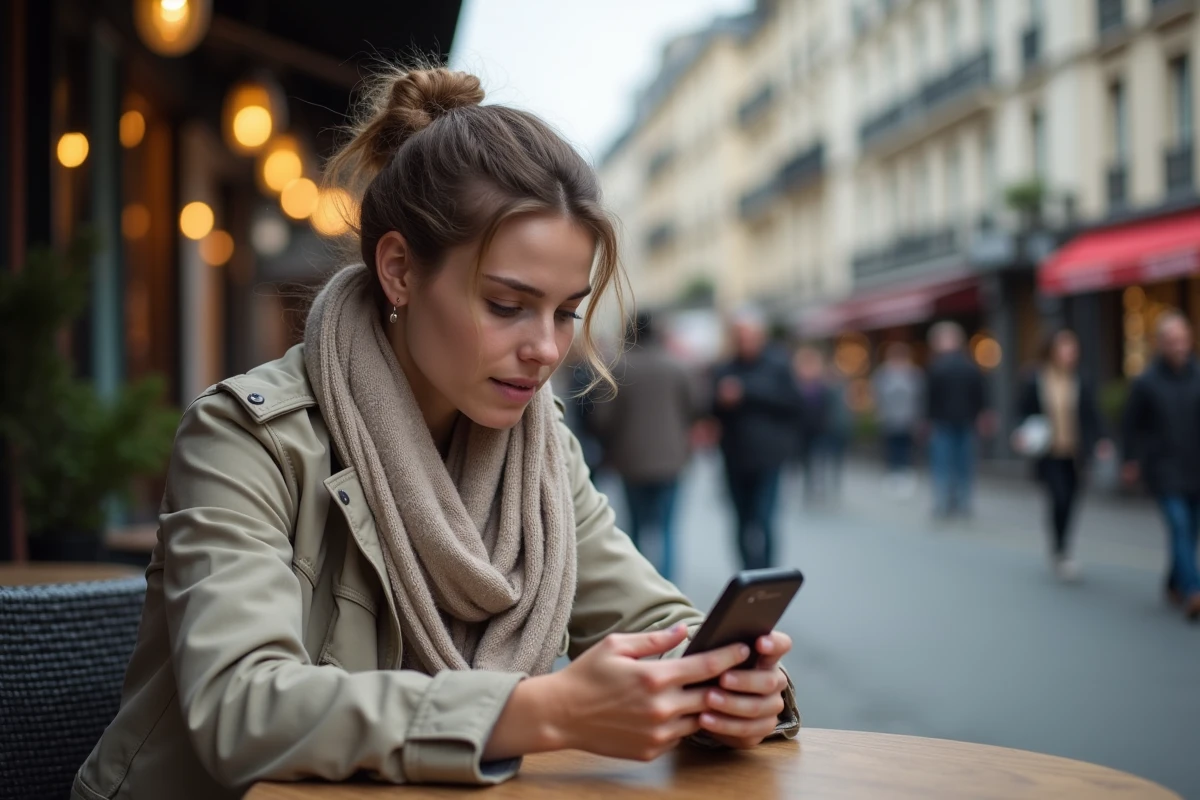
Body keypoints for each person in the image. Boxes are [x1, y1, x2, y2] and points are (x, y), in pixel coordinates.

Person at [73, 67, 799, 800]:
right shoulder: (246, 437)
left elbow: (657, 621)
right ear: (398, 272)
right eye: (508, 304)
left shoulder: (541, 452)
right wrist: (534, 711)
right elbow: (242, 708)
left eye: (565, 312)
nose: (546, 348)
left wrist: (732, 688)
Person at [588, 312, 702, 581]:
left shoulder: (618, 368)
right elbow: (696, 408)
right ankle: (668, 588)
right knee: (667, 529)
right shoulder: (677, 366)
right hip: (673, 460)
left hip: (631, 461)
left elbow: (601, 418)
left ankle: (640, 587)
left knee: (636, 528)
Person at [1121, 312, 1200, 620]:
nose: (1178, 346)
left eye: (1182, 339)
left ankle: (1173, 583)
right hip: (1164, 468)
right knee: (1179, 525)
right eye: (1171, 341)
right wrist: (1130, 460)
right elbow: (1131, 425)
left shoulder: (1197, 375)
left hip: (1195, 466)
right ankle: (1194, 590)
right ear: (1161, 344)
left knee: (1189, 532)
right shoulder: (1146, 382)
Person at [1014, 330, 1110, 581]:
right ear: (1052, 351)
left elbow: (1092, 413)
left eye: (1073, 349)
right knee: (1058, 497)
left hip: (1076, 452)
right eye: (1065, 349)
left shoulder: (1081, 379)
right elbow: (1023, 410)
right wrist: (1022, 433)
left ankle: (1063, 545)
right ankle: (1059, 549)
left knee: (1072, 500)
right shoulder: (1036, 378)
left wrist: (1101, 440)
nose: (1070, 354)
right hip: (1049, 451)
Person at [712, 312, 802, 570]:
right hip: (735, 458)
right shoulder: (724, 368)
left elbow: (792, 403)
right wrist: (721, 401)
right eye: (740, 336)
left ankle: (768, 575)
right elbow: (711, 410)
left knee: (765, 519)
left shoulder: (778, 365)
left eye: (749, 336)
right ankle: (748, 576)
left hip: (769, 458)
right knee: (741, 521)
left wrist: (745, 393)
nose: (745, 342)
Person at [924, 321, 992, 518]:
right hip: (965, 421)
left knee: (943, 464)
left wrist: (927, 420)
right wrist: (982, 414)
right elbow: (981, 394)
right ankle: (962, 503)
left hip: (943, 422)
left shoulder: (936, 367)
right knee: (964, 464)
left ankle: (943, 502)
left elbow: (929, 399)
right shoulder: (970, 366)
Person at [872, 342, 923, 497]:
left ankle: (905, 476)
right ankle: (893, 476)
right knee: (891, 448)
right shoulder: (883, 374)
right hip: (889, 419)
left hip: (908, 419)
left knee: (906, 449)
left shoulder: (914, 374)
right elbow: (878, 396)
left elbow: (919, 397)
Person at [791, 346, 831, 503]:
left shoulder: (823, 386)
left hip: (818, 429)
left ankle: (814, 485)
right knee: (803, 459)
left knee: (817, 458)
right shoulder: (795, 385)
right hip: (800, 430)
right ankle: (806, 484)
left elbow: (828, 408)